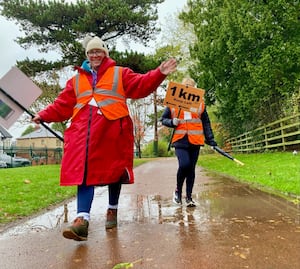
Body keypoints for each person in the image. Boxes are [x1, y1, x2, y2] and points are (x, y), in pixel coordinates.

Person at [32, 35, 177, 241]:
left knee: (114, 172)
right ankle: (82, 220)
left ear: (105, 54)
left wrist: (159, 73)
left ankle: (112, 209)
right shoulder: (75, 80)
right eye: (91, 52)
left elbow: (141, 84)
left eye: (98, 51)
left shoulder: (120, 73)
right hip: (83, 134)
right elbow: (61, 105)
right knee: (83, 172)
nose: (95, 54)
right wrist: (43, 115)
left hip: (112, 132)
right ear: (87, 55)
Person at [160, 78, 217, 207]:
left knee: (191, 169)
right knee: (184, 165)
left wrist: (211, 140)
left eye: (190, 87)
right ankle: (177, 192)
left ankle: (189, 197)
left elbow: (206, 123)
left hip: (195, 141)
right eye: (185, 87)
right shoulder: (173, 103)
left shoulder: (200, 104)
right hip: (180, 140)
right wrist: (171, 122)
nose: (188, 90)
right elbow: (163, 119)